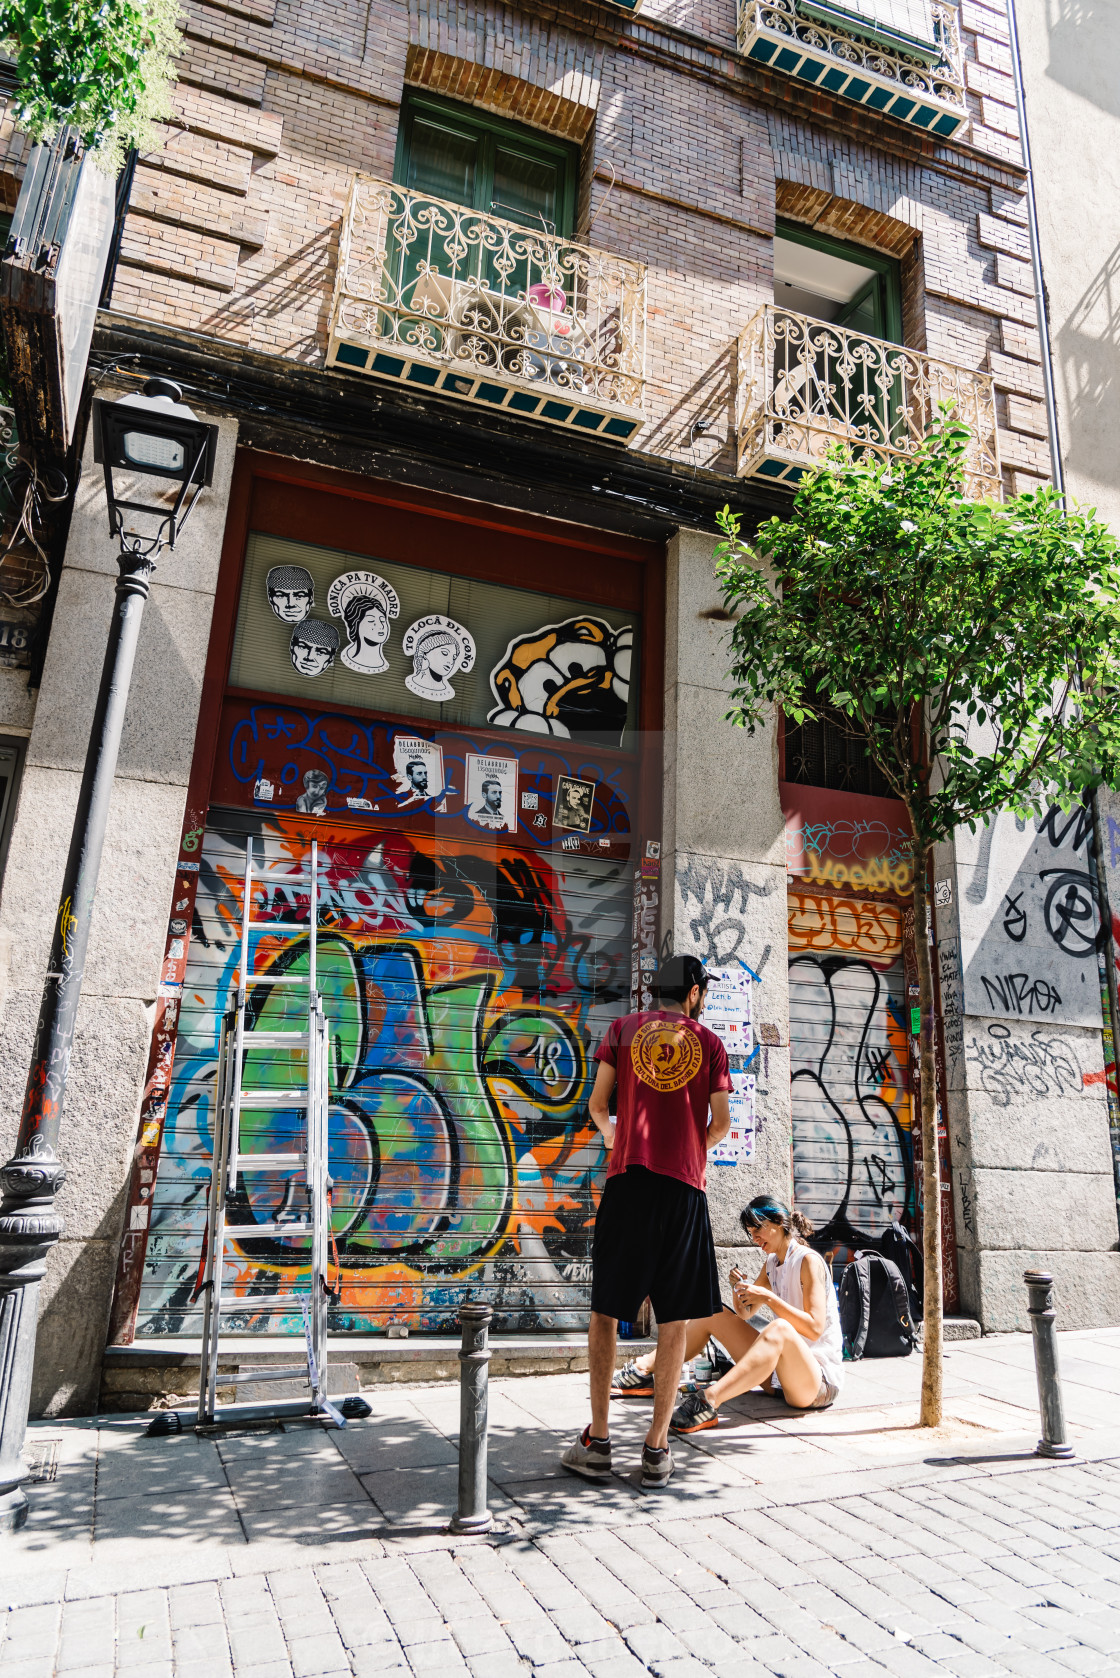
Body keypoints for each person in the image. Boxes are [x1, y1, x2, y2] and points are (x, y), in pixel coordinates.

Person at [561, 954, 731, 1491]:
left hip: (628, 1182)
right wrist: (690, 1151)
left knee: (606, 1311)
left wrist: (619, 1141)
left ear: (655, 992)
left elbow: (596, 1105)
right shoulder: (708, 1043)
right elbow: (722, 1122)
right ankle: (656, 1449)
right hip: (683, 1190)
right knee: (675, 1318)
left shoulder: (621, 1029)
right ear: (695, 993)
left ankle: (600, 1441)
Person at [664, 1196, 844, 1433]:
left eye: (757, 1229)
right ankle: (649, 1371)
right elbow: (746, 1313)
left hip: (817, 1384)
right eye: (750, 1232)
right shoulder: (771, 1262)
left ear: (778, 1222)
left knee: (779, 1328)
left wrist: (768, 1297)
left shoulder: (808, 1261)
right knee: (713, 1313)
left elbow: (815, 1328)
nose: (754, 1238)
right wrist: (739, 1290)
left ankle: (709, 1400)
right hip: (781, 1379)